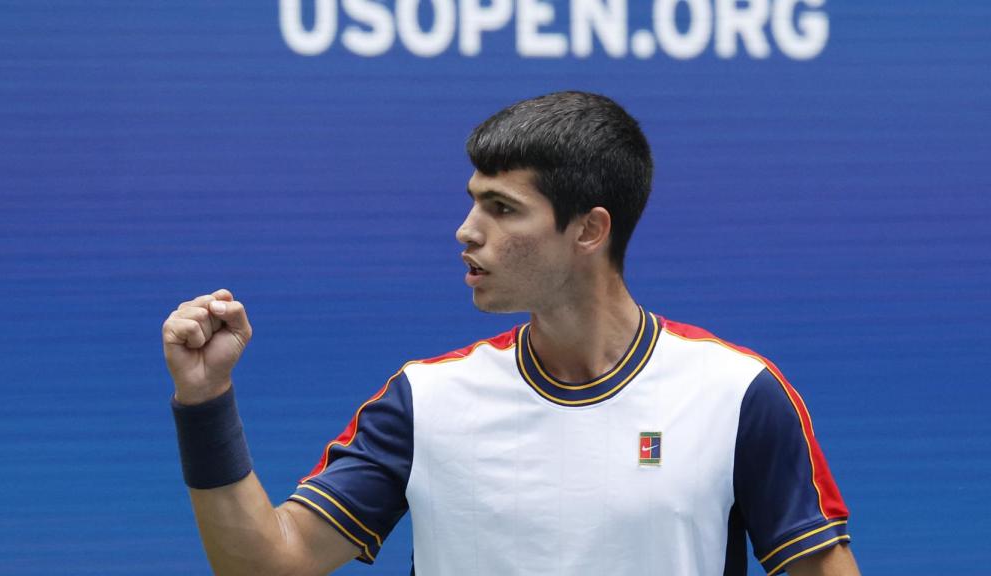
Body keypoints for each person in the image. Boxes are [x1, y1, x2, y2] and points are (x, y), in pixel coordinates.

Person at [163, 91, 860, 575]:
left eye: (502, 209)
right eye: (473, 203)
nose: (467, 232)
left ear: (589, 229)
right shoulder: (424, 401)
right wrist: (204, 401)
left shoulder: (738, 396)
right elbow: (265, 564)